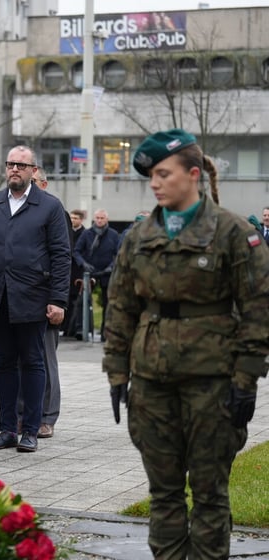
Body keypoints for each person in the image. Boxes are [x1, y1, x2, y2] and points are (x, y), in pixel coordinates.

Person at [104, 128, 269, 560]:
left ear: (193, 174)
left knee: (211, 493)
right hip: (152, 383)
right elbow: (120, 308)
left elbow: (257, 309)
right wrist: (117, 372)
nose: (155, 183)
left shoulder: (234, 232)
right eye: (152, 177)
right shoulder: (138, 237)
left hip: (213, 384)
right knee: (164, 492)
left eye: (163, 174)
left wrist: (246, 380)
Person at [0, 146, 70, 453]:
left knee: (33, 363)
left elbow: (61, 255)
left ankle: (31, 429)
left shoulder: (49, 206)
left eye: (21, 165)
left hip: (33, 296)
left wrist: (58, 299)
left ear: (33, 170)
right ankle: (8, 428)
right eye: (10, 164)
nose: (14, 169)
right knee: (5, 364)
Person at [31, 168, 72, 438]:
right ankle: (25, 415)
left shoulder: (55, 211)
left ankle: (47, 417)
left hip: (45, 299)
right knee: (24, 362)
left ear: (44, 184)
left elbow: (63, 258)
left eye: (33, 181)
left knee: (45, 360)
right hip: (20, 298)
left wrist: (58, 299)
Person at [73, 208, 119, 342]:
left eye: (102, 218)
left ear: (107, 219)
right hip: (89, 272)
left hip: (106, 273)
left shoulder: (113, 234)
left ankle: (106, 332)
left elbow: (118, 253)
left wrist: (111, 266)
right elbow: (76, 251)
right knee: (82, 301)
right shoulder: (87, 234)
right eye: (97, 218)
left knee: (108, 302)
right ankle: (80, 329)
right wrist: (83, 264)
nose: (99, 220)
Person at [62, 209, 86, 337]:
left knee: (75, 301)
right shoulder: (66, 230)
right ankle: (65, 327)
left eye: (76, 218)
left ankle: (71, 328)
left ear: (81, 220)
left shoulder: (85, 234)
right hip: (67, 269)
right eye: (71, 218)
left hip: (77, 271)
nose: (73, 220)